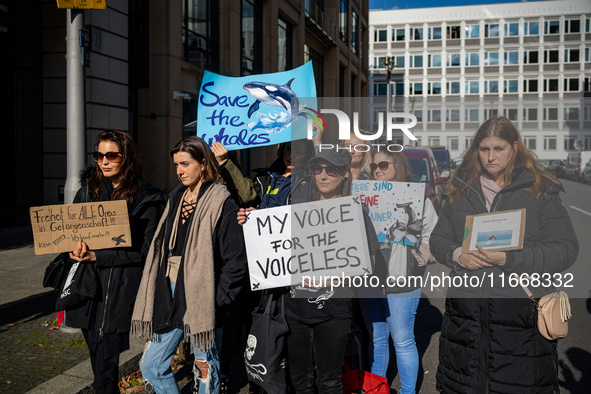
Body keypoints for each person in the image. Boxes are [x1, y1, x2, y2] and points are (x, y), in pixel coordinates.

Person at [430, 117, 578, 393]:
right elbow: (438, 239)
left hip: (520, 326)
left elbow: (565, 249)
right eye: (484, 149)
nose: (490, 157)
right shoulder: (460, 188)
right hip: (466, 324)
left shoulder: (538, 190)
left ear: (514, 147)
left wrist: (510, 258)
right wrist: (457, 254)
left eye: (498, 149)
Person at [131, 136, 248, 394]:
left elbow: (236, 260)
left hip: (203, 295)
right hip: (170, 290)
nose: (179, 171)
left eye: (185, 164)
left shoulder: (222, 203)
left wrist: (218, 299)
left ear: (203, 164)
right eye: (176, 165)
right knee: (153, 364)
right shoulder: (175, 199)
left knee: (204, 365)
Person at [67, 130, 166, 394]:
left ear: (127, 157)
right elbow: (72, 235)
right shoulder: (87, 192)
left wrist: (99, 256)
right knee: (97, 356)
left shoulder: (147, 198)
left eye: (112, 155)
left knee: (107, 362)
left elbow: (146, 254)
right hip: (89, 287)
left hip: (121, 290)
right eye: (99, 155)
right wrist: (73, 250)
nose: (104, 161)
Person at [283, 148, 379, 394]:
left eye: (331, 169)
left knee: (330, 381)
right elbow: (275, 249)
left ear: (345, 175)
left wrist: (332, 277)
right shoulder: (297, 210)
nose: (323, 175)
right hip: (296, 310)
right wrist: (248, 220)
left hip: (334, 311)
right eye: (318, 169)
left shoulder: (357, 214)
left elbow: (369, 265)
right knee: (300, 382)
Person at [359, 147, 437, 394]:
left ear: (398, 166)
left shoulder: (417, 199)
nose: (377, 170)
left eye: (384, 165)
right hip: (369, 280)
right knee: (377, 339)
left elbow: (433, 238)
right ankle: (376, 389)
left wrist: (418, 254)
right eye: (373, 166)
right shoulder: (361, 198)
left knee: (402, 340)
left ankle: (407, 391)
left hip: (402, 280)